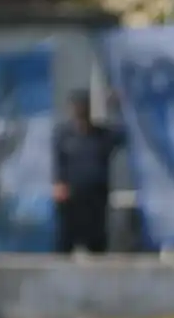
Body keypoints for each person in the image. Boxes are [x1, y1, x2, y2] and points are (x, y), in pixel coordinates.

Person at [53, 90, 125, 255]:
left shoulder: (102, 136)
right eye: (77, 107)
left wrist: (116, 107)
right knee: (65, 243)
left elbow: (125, 134)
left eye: (83, 107)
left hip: (96, 198)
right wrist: (58, 182)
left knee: (96, 243)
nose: (80, 110)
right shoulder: (64, 136)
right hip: (71, 199)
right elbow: (58, 161)